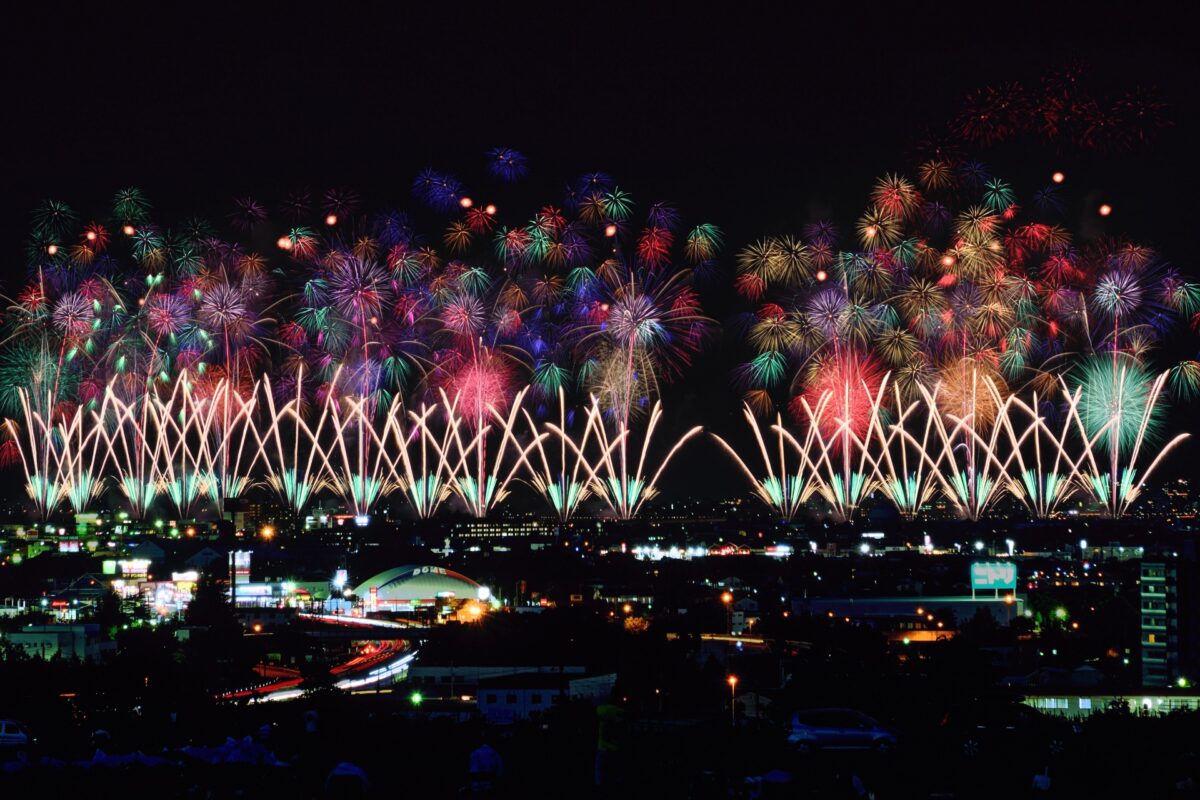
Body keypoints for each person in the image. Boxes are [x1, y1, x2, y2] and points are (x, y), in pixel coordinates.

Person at [595, 689, 628, 793]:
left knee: (599, 768)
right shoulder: (619, 711)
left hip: (602, 747)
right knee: (617, 768)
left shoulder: (600, 710)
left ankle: (599, 786)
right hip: (615, 746)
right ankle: (618, 784)